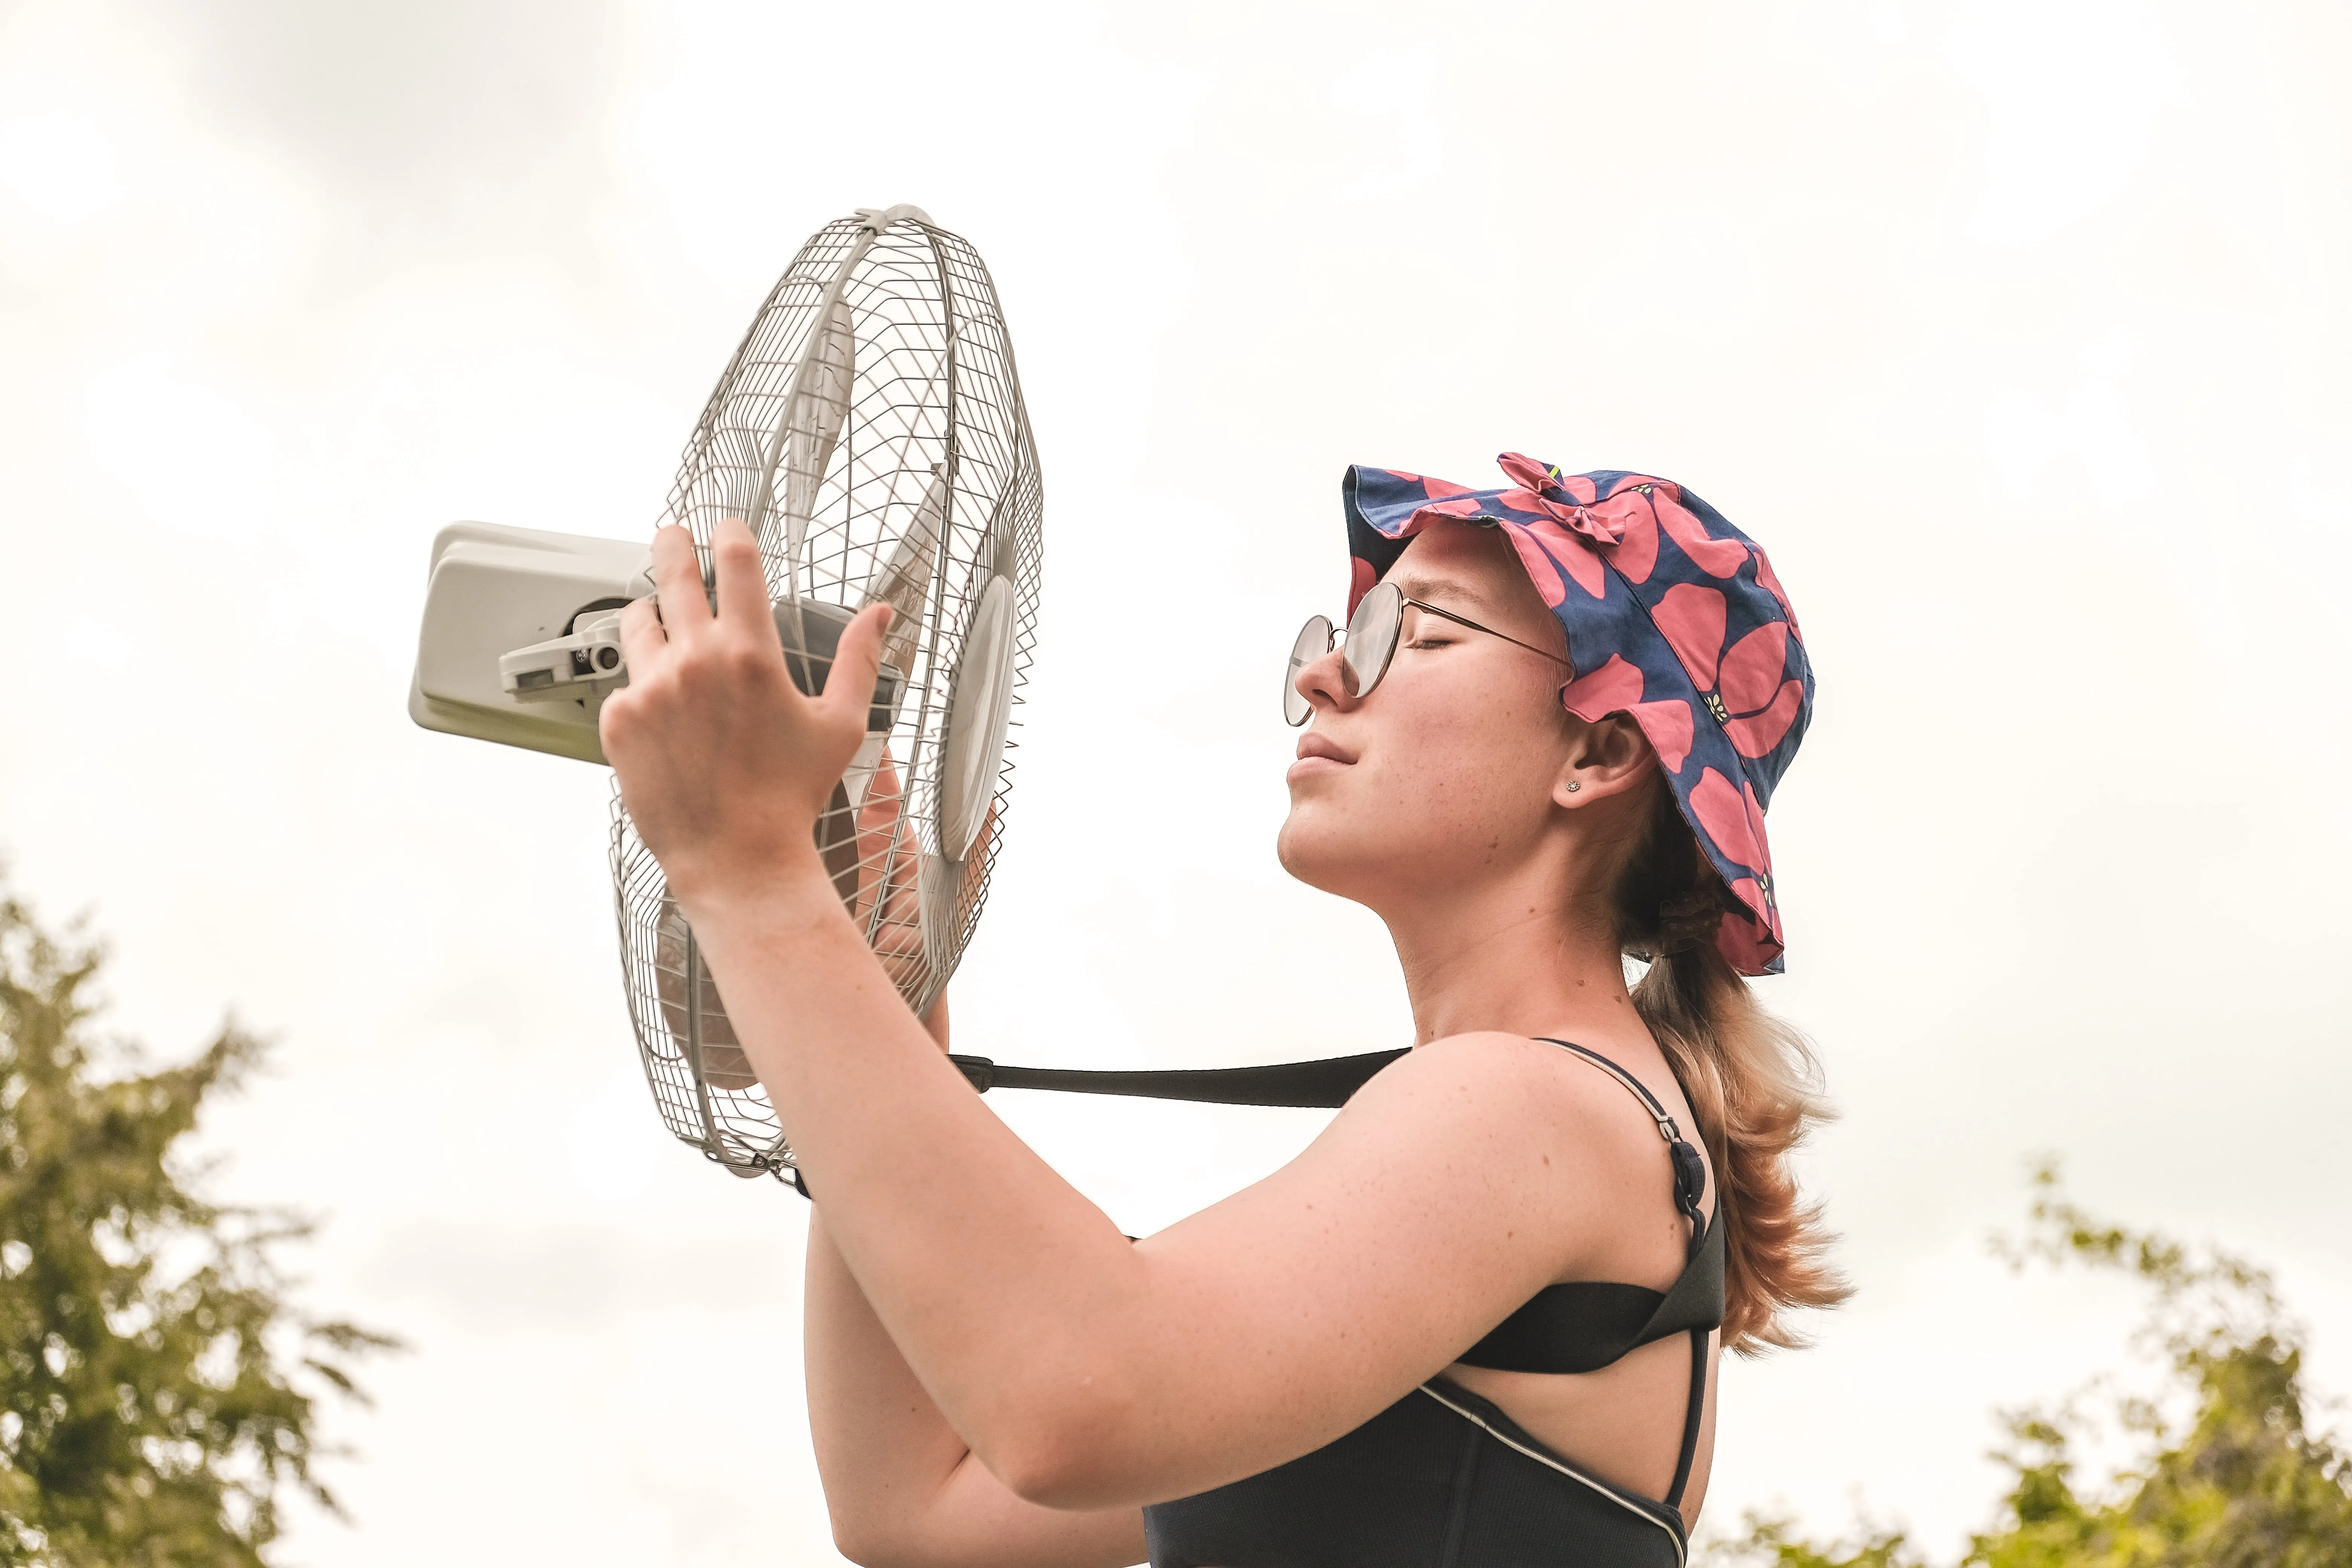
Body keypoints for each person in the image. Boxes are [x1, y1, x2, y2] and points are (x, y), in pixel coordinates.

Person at [599, 453, 1848, 1568]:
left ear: (1601, 756)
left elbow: (1076, 1401)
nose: (1321, 673)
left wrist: (751, 872)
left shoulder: (1532, 1100)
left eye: (1422, 635)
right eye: (1349, 630)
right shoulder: (1551, 1106)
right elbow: (918, 1508)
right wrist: (887, 994)